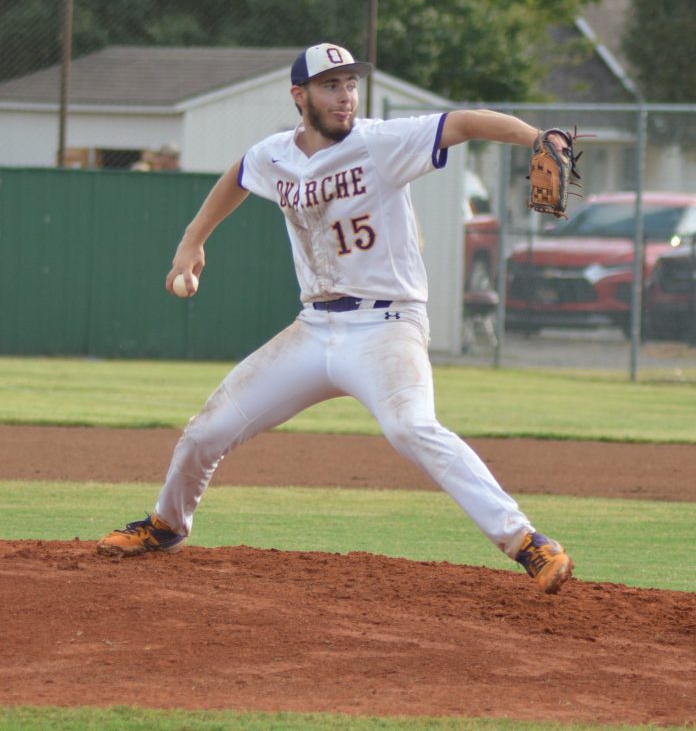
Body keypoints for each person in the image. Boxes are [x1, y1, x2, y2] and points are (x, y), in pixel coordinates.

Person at [97, 43, 574, 594]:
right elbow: (240, 173)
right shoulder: (276, 154)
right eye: (331, 85)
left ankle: (527, 541)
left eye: (350, 84)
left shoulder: (383, 142)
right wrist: (192, 242)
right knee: (207, 430)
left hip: (387, 326)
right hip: (314, 329)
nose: (345, 96)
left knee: (410, 426)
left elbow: (464, 122)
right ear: (300, 96)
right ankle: (167, 525)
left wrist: (539, 137)